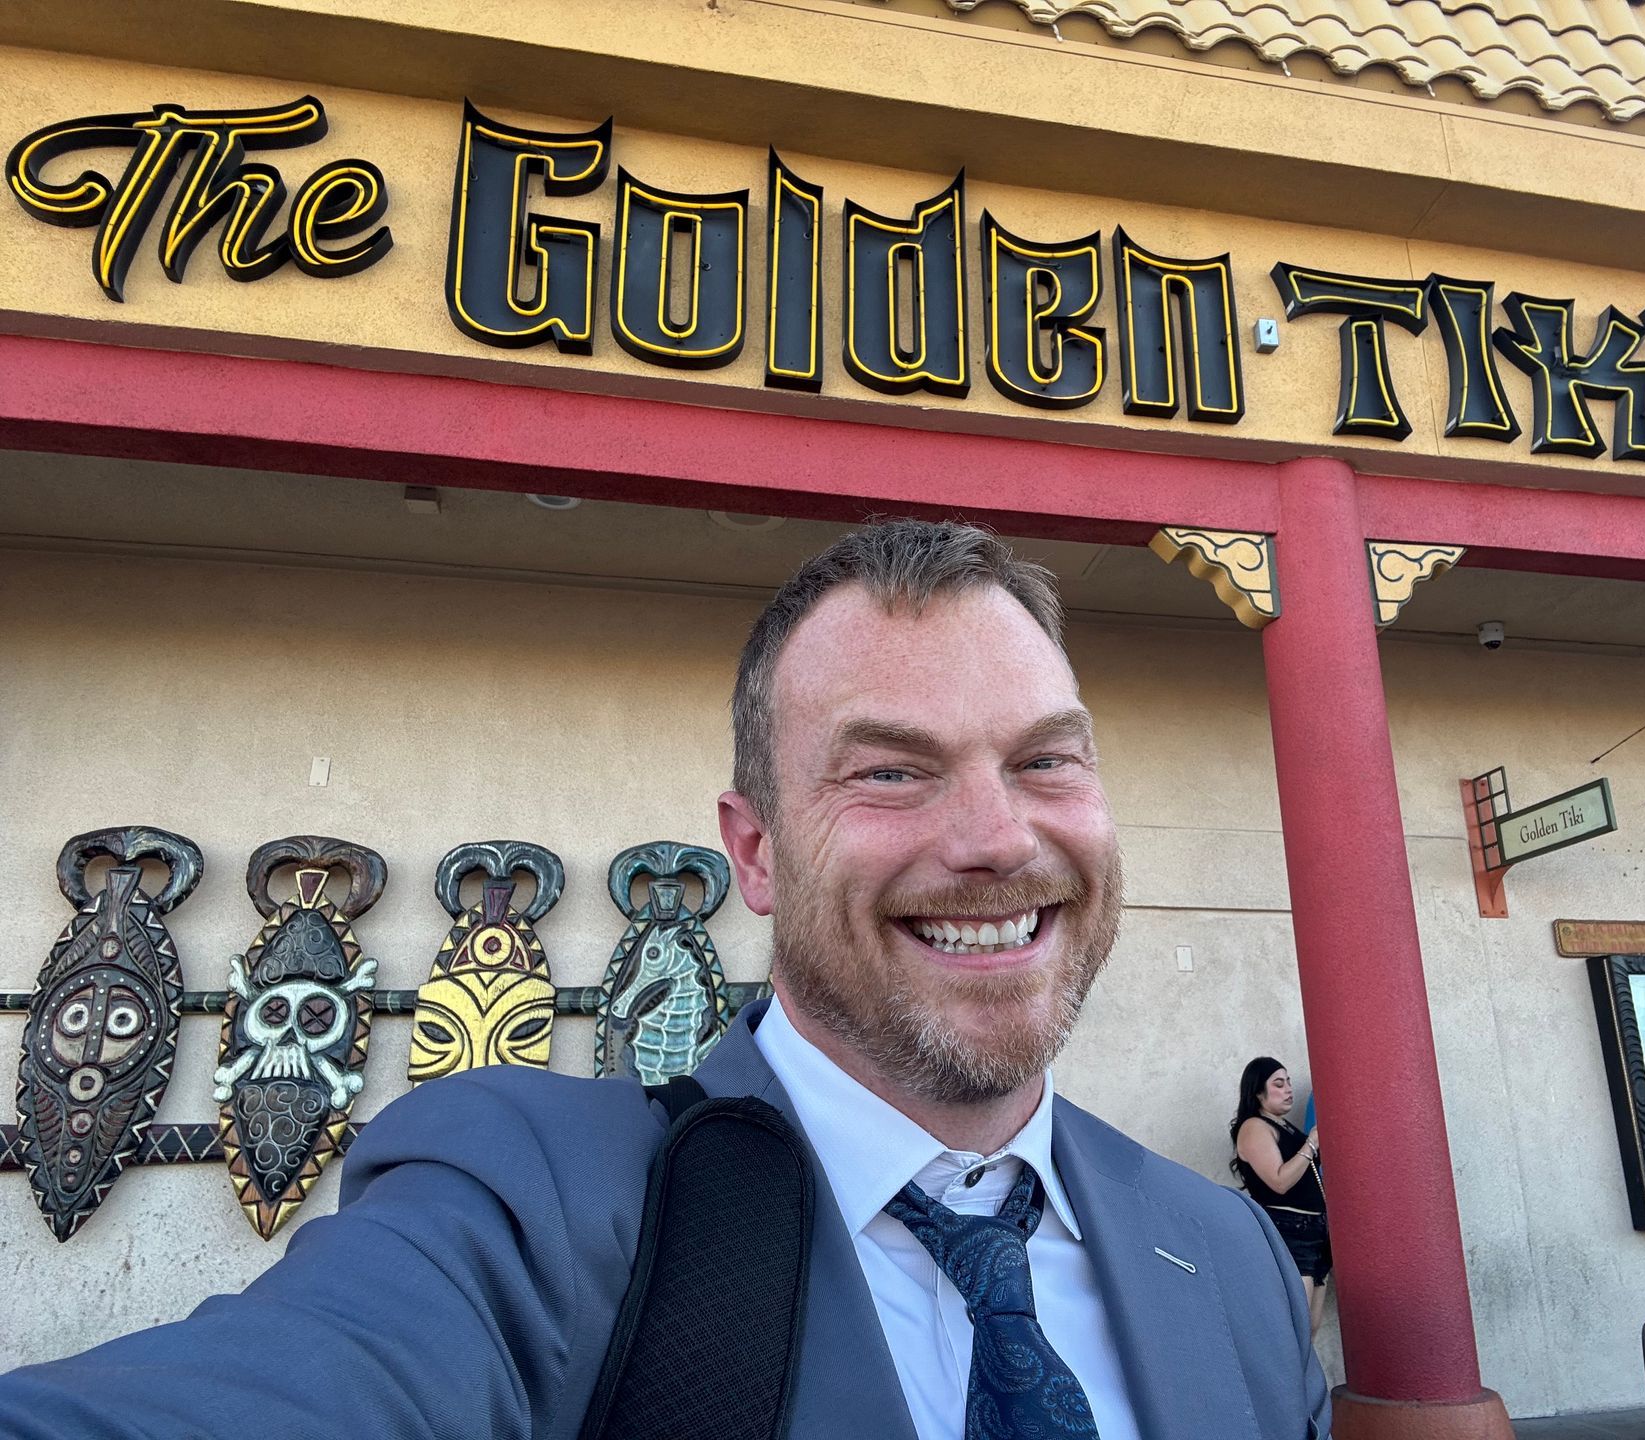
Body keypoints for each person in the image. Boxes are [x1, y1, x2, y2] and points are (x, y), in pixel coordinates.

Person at [0, 520, 1331, 1439]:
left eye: (1047, 760)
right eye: (889, 770)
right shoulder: (535, 1204)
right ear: (752, 853)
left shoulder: (1228, 1260)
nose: (996, 839)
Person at [1231, 1056, 1332, 1335]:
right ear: (1257, 1092)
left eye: (1288, 1082)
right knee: (1294, 1326)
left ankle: (1301, 1379)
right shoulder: (1254, 1127)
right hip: (1290, 1231)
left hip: (1316, 1232)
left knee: (1310, 1328)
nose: (1288, 1089)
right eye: (1278, 1084)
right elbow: (1279, 1181)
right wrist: (1311, 1144)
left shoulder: (1284, 1126)